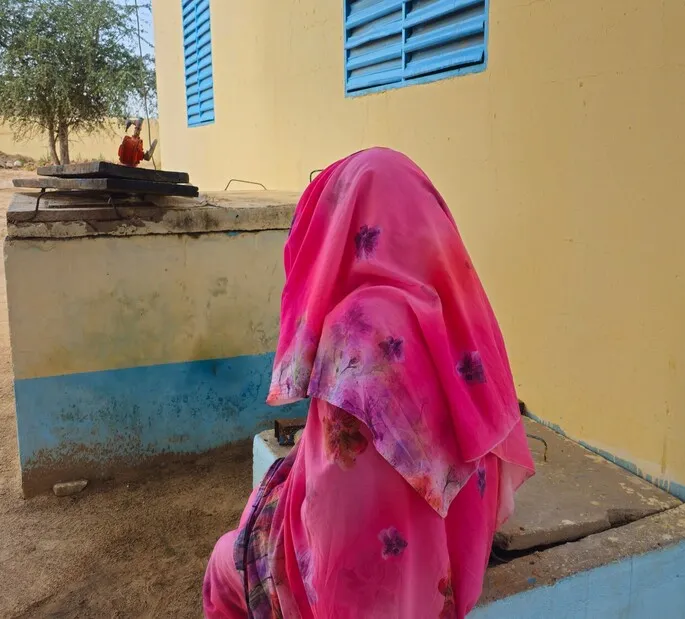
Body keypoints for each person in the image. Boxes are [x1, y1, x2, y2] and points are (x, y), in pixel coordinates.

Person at [203, 148, 535, 619]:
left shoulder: (356, 333)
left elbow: (334, 520)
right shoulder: (468, 322)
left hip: (371, 592)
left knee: (224, 563)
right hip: (454, 576)